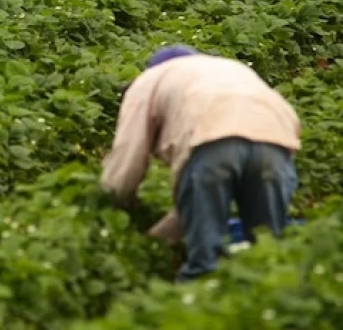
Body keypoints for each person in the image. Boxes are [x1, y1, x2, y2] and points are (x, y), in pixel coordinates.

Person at [100, 45, 301, 282]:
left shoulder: (148, 82)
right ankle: (267, 309)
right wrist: (164, 232)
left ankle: (196, 307)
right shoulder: (229, 70)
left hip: (211, 138)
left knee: (205, 265)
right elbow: (196, 205)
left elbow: (127, 158)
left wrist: (113, 205)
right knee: (266, 250)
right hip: (275, 140)